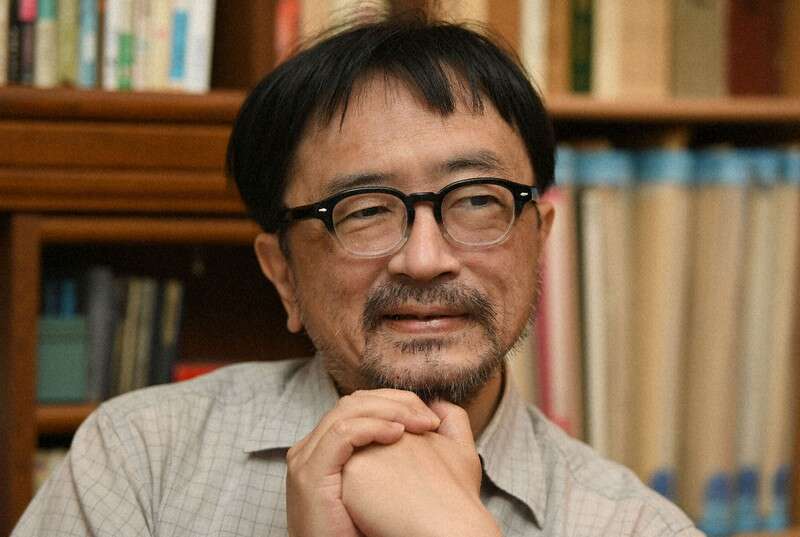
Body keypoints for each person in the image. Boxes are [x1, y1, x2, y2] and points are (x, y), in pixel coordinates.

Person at [13, 13, 703, 537]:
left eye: (475, 201)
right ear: (283, 274)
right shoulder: (140, 463)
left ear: (538, 240)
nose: (425, 258)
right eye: (366, 210)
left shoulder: (635, 525)